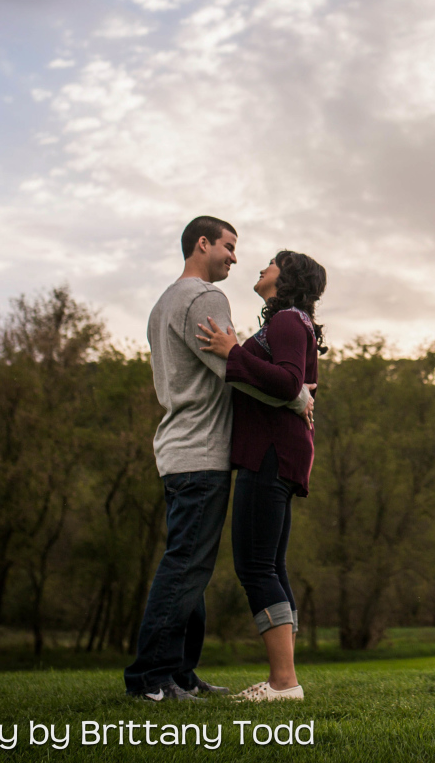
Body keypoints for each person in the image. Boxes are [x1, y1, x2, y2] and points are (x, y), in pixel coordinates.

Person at [124, 218, 311, 702]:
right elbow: (234, 368)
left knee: (192, 566)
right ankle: (154, 680)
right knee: (185, 566)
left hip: (178, 445)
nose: (234, 256)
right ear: (201, 244)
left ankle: (182, 673)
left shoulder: (164, 301)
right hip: (201, 448)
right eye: (228, 246)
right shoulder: (206, 299)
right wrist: (298, 399)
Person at [197, 249, 326, 702]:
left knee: (255, 566)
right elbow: (297, 386)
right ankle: (284, 680)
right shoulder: (292, 322)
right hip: (280, 450)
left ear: (287, 278)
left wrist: (234, 353)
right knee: (270, 564)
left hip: (269, 452)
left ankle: (284, 682)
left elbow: (289, 383)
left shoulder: (288, 321)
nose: (261, 268)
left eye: (272, 264)